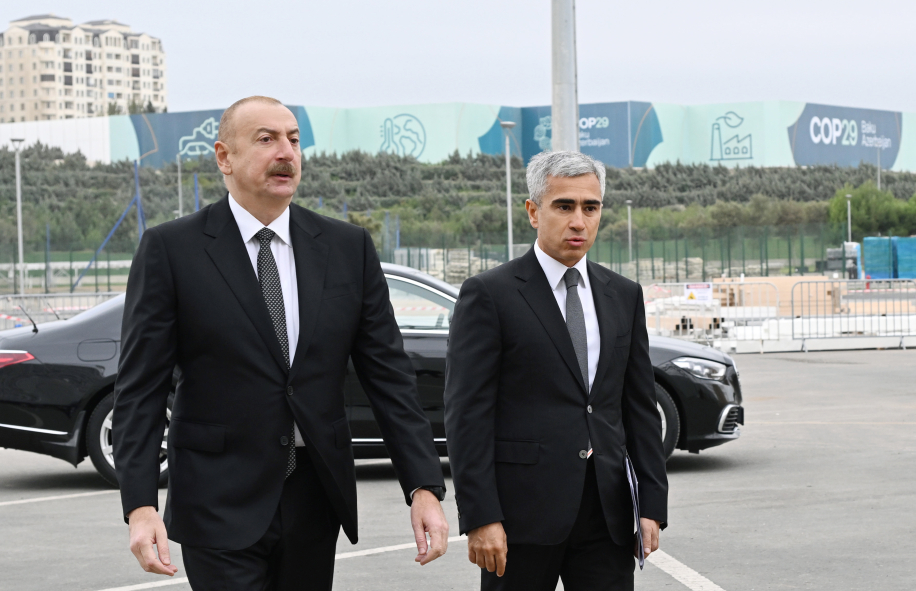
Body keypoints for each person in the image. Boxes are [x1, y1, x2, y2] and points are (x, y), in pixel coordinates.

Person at [113, 96, 449, 590]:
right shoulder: (172, 250)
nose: (286, 152)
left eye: (293, 139)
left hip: (316, 495)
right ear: (224, 157)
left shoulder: (347, 247)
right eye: (266, 139)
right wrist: (140, 505)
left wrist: (423, 486)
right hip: (216, 497)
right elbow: (141, 388)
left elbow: (389, 378)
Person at [443, 150, 668, 591]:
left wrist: (652, 505)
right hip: (521, 518)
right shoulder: (489, 295)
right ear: (533, 211)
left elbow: (639, 407)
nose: (579, 221)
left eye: (590, 207)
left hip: (607, 515)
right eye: (564, 206)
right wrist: (481, 516)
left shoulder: (624, 295)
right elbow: (466, 416)